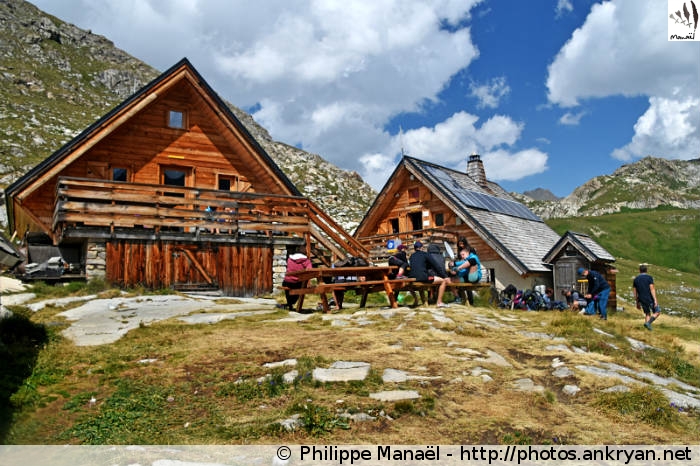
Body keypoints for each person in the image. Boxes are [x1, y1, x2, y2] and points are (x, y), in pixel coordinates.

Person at [408, 241, 451, 308]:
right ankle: (439, 302)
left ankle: (416, 300)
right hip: (422, 277)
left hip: (412, 277)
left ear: (414, 248)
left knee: (412, 282)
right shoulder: (425, 254)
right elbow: (436, 266)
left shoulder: (411, 256)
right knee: (443, 281)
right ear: (422, 247)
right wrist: (445, 276)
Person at [281, 246, 312, 310]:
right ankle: (292, 302)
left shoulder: (289, 259)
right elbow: (310, 271)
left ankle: (289, 303)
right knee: (300, 286)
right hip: (299, 282)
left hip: (288, 281)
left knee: (285, 284)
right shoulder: (307, 261)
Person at [633, 264, 660, 331]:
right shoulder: (649, 278)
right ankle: (648, 323)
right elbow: (652, 289)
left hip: (641, 299)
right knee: (657, 311)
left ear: (639, 271)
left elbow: (635, 292)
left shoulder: (636, 279)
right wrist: (655, 299)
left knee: (647, 313)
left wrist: (637, 302)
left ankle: (647, 330)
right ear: (646, 270)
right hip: (649, 298)